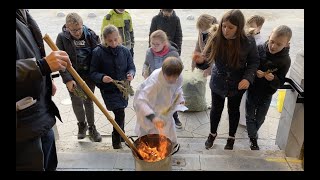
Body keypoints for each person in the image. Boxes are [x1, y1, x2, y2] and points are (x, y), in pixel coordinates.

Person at [193, 9, 259, 150]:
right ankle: (212, 134)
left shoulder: (248, 41)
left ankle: (231, 137)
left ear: (239, 28)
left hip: (237, 83)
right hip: (218, 81)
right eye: (224, 26)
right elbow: (208, 61)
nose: (225, 30)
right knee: (216, 110)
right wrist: (200, 62)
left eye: (230, 28)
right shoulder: (215, 37)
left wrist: (247, 78)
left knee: (233, 110)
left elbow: (254, 62)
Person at [16, 9, 71, 170]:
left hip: (40, 115)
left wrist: (45, 78)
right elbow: (37, 64)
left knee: (49, 164)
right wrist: (41, 67)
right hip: (22, 127)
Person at [56, 13, 101, 142]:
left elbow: (98, 55)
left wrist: (97, 75)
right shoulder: (61, 38)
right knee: (76, 101)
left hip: (88, 76)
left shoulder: (91, 35)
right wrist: (68, 80)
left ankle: (92, 127)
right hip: (73, 77)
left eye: (79, 29)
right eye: (73, 30)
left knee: (88, 101)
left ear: (82, 25)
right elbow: (60, 62)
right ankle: (82, 124)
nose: (76, 32)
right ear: (67, 28)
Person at [246, 25, 292, 150]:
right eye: (272, 41)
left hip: (267, 93)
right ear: (269, 36)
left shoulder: (286, 60)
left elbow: (281, 80)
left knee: (261, 117)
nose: (273, 46)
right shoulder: (259, 48)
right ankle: (253, 138)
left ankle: (253, 133)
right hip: (253, 89)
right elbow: (249, 64)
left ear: (287, 44)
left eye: (279, 44)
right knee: (249, 116)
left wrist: (274, 79)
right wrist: (255, 71)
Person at [90, 24, 136, 149]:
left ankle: (121, 135)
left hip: (123, 88)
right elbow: (93, 72)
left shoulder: (125, 51)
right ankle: (116, 141)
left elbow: (131, 67)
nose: (114, 43)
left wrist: (131, 74)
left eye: (116, 39)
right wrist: (102, 78)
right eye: (110, 41)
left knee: (121, 112)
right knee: (119, 112)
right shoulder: (98, 52)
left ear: (119, 37)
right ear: (104, 39)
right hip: (108, 90)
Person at [134, 57, 185, 146]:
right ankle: (148, 147)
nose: (172, 80)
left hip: (165, 107)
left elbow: (178, 88)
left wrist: (180, 99)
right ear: (164, 73)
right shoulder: (154, 82)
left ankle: (170, 145)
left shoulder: (178, 76)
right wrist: (153, 117)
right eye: (169, 77)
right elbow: (141, 101)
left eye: (175, 77)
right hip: (149, 106)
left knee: (167, 127)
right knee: (150, 132)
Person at [142, 29, 183, 129]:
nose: (154, 46)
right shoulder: (149, 52)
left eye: (157, 44)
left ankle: (175, 117)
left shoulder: (173, 53)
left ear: (164, 43)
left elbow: (179, 66)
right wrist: (145, 72)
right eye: (152, 43)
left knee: (170, 102)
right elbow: (146, 63)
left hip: (168, 82)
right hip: (155, 82)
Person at [239, 14, 266, 126]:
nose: (249, 27)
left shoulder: (260, 42)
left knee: (247, 98)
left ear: (259, 27)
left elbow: (256, 61)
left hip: (251, 74)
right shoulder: (246, 37)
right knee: (241, 97)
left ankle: (245, 121)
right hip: (242, 72)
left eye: (252, 25)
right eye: (248, 25)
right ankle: (240, 118)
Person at [101, 9, 135, 96]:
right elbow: (103, 34)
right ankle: (118, 88)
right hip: (114, 50)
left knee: (128, 69)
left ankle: (127, 87)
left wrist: (132, 44)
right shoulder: (108, 17)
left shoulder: (127, 15)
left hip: (127, 47)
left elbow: (131, 31)